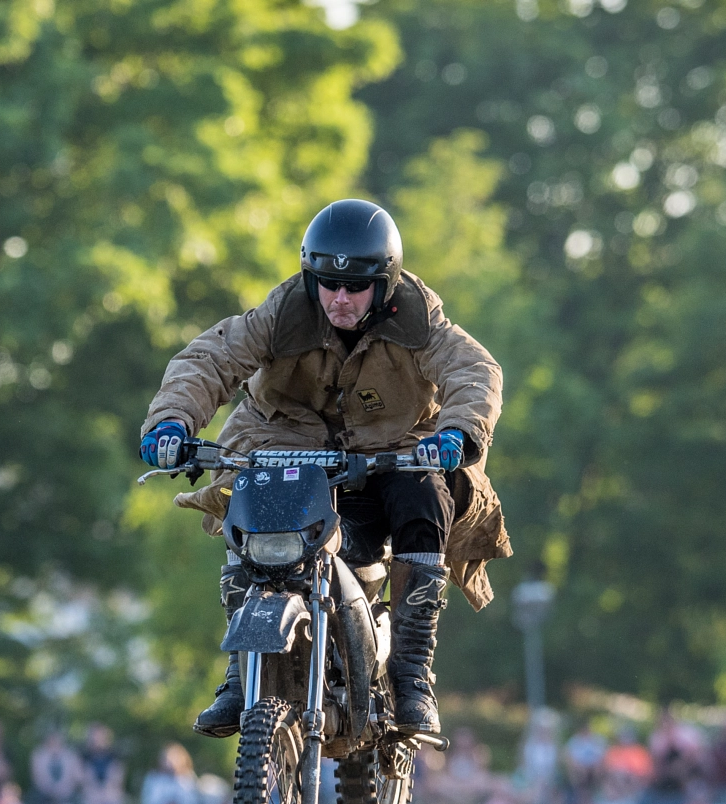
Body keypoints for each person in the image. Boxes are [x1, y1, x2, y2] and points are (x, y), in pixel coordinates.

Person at [144, 198, 505, 740]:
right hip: (285, 446)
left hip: (391, 454)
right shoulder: (281, 313)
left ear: (384, 284)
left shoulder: (419, 319)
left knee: (426, 495)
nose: (339, 298)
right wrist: (171, 422)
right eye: (326, 283)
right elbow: (209, 360)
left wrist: (457, 432)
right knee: (250, 512)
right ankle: (242, 674)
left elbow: (475, 371)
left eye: (355, 286)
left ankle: (411, 675)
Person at [27, 731, 83, 804]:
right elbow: (36, 778)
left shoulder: (71, 756)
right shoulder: (38, 755)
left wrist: (64, 789)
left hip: (67, 794)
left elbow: (78, 778)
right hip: (44, 794)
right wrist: (51, 790)